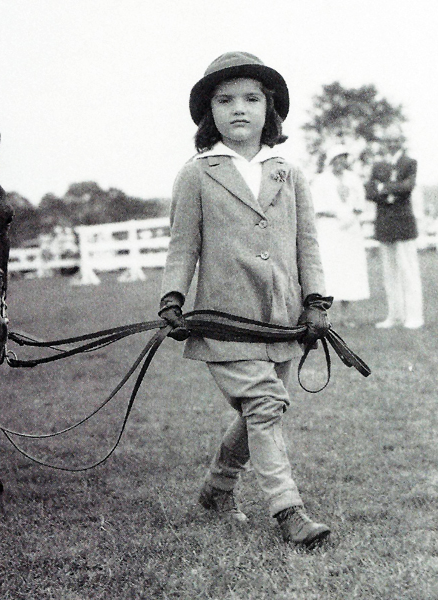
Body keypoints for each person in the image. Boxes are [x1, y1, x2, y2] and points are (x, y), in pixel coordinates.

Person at [158, 51, 332, 547]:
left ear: (269, 108)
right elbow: (182, 245)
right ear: (208, 113)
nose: (239, 108)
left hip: (281, 317)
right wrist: (172, 297)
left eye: (252, 99)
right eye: (225, 100)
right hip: (223, 319)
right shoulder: (197, 174)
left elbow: (308, 243)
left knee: (259, 409)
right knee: (265, 403)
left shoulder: (288, 173)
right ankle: (288, 510)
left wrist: (317, 300)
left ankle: (216, 488)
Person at [366, 124, 424, 329]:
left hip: (403, 223)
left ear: (401, 141)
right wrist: (388, 191)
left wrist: (384, 188)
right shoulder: (378, 166)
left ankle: (415, 316)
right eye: (388, 140)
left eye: (395, 139)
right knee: (389, 273)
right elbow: (370, 192)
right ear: (384, 143)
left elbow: (407, 187)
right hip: (385, 223)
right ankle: (395, 315)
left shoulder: (409, 163)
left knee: (408, 271)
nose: (392, 143)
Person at [310, 142, 370, 325]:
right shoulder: (321, 180)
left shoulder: (353, 179)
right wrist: (337, 214)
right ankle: (327, 317)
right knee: (331, 270)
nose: (340, 162)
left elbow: (360, 204)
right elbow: (316, 207)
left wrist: (352, 216)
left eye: (343, 158)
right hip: (330, 229)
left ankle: (348, 316)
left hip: (350, 230)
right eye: (337, 159)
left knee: (350, 270)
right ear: (331, 161)